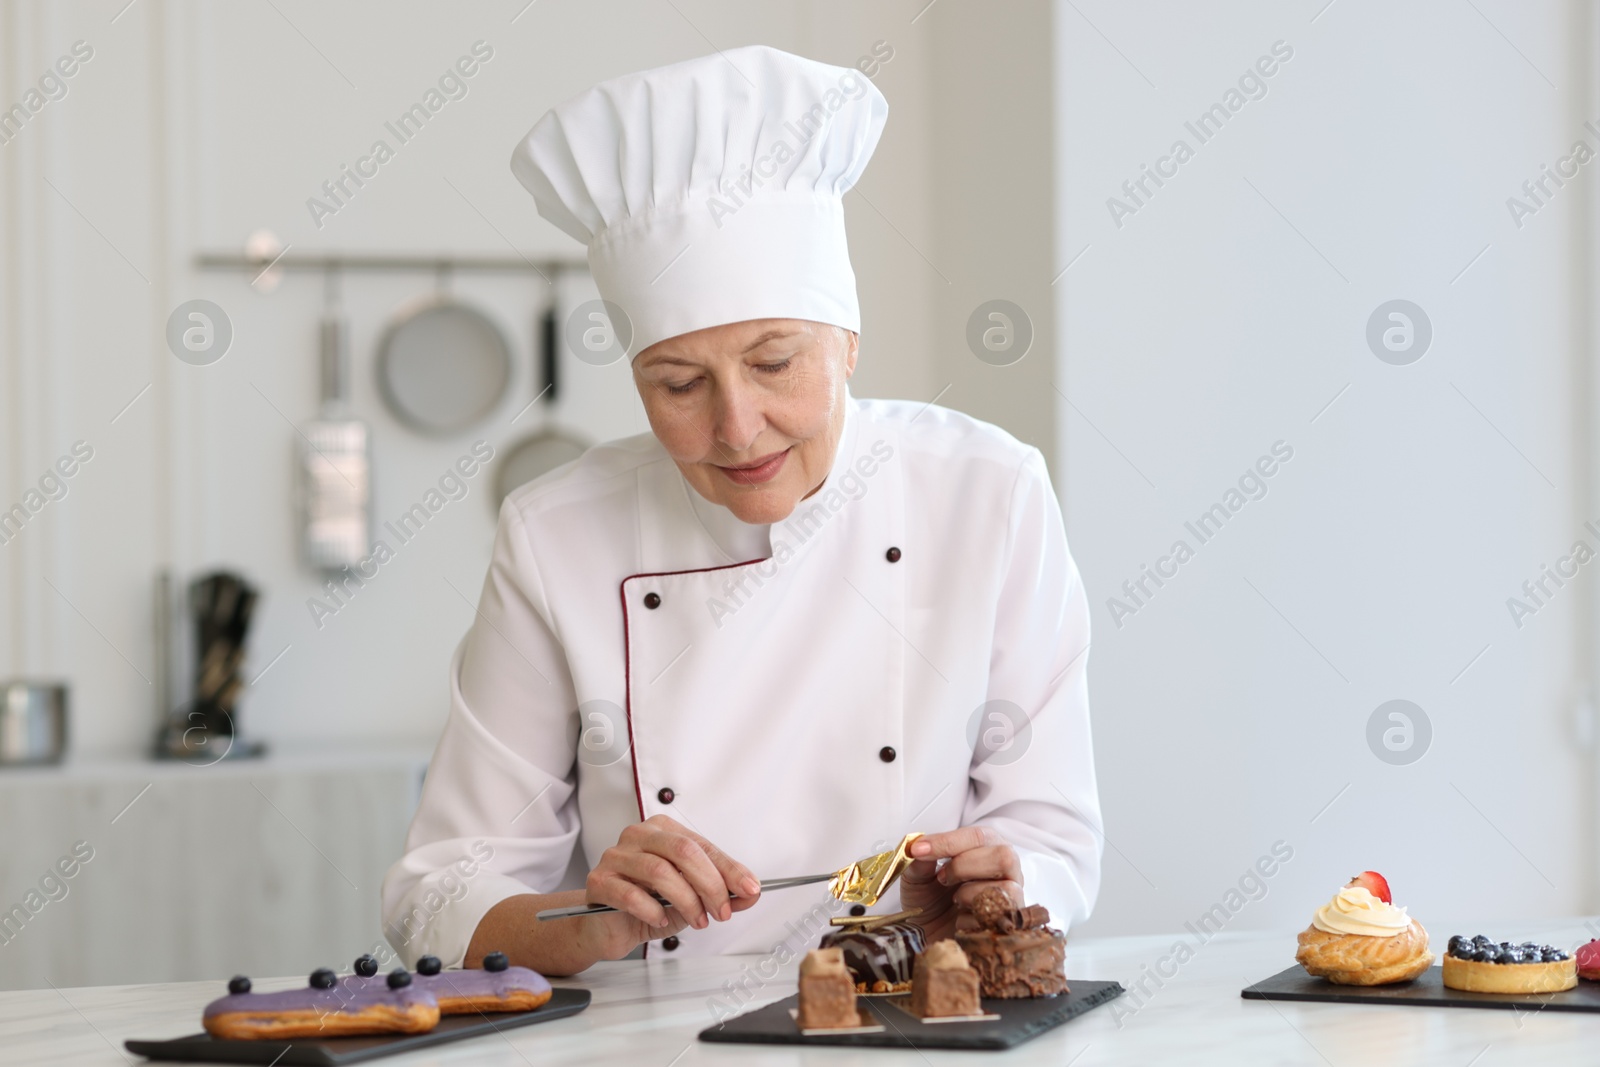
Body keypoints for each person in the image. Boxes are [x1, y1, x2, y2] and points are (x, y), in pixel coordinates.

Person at [380, 45, 1101, 976]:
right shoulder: (557, 532)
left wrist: (1004, 879)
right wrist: (586, 916)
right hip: (656, 1034)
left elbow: (1051, 835)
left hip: (923, 1015)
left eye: (773, 364)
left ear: (848, 342)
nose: (736, 426)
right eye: (679, 382)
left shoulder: (986, 492)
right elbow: (434, 895)